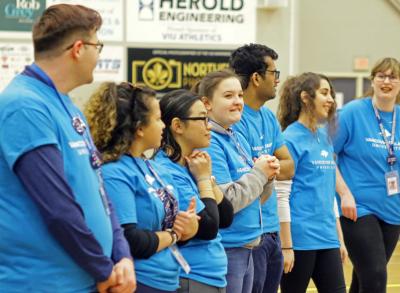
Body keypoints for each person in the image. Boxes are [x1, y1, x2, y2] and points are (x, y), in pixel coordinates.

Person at [0, 4, 135, 293]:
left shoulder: (68, 105)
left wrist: (121, 253)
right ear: (78, 48)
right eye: (98, 46)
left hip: (84, 279)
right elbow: (57, 206)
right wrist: (103, 268)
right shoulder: (24, 105)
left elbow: (98, 190)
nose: (99, 55)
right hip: (42, 284)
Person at [85, 82, 199, 293]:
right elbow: (131, 239)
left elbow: (165, 228)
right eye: (157, 119)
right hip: (140, 282)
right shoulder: (114, 172)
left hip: (169, 279)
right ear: (139, 128)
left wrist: (188, 228)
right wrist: (174, 234)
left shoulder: (151, 166)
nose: (163, 125)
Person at [333, 57, 400, 293]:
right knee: (375, 275)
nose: (386, 81)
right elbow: (326, 157)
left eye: (392, 77)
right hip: (357, 208)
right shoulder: (352, 113)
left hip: (393, 212)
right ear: (372, 80)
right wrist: (344, 194)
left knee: (364, 278)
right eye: (381, 76)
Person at [194, 69, 280, 293]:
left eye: (240, 95)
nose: (238, 102)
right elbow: (227, 202)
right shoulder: (209, 143)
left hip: (249, 244)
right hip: (228, 247)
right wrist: (259, 174)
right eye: (228, 96)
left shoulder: (236, 136)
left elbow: (256, 198)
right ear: (207, 103)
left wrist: (268, 176)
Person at [229, 44, 295, 293]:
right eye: (274, 73)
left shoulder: (268, 117)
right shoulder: (235, 119)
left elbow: (290, 167)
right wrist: (266, 168)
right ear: (256, 78)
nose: (277, 80)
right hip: (249, 234)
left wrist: (266, 168)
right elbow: (246, 176)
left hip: (272, 229)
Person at [155, 89, 234, 293]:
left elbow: (226, 217)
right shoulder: (167, 170)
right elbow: (209, 227)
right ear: (178, 126)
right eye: (202, 119)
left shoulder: (192, 164)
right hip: (191, 277)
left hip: (212, 276)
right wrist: (204, 180)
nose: (209, 126)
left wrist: (205, 179)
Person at [276, 73, 346, 293]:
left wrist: (339, 239)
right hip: (300, 240)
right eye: (324, 93)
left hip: (327, 238)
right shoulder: (290, 139)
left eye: (331, 94)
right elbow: (281, 196)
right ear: (306, 98)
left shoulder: (325, 135)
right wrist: (287, 246)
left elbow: (328, 193)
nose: (331, 100)